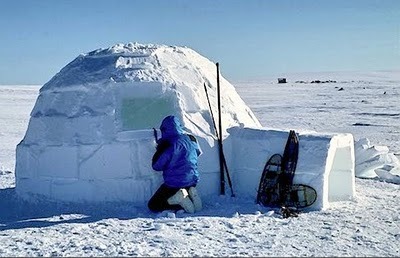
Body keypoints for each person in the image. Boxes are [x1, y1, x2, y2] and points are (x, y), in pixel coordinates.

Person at [148, 115, 203, 213]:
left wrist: (159, 149)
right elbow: (198, 153)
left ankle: (181, 202)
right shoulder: (191, 138)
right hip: (192, 180)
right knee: (186, 186)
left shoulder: (167, 144)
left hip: (175, 183)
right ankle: (191, 196)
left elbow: (156, 166)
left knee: (153, 205)